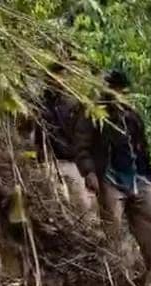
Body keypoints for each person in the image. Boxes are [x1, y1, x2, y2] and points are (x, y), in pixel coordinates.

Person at [72, 69, 151, 284]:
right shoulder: (93, 113)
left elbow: (142, 148)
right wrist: (89, 172)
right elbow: (81, 145)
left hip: (138, 177)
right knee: (111, 227)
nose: (120, 94)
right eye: (116, 89)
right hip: (110, 177)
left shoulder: (132, 115)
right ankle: (114, 276)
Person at [35, 63, 95, 222]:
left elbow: (82, 137)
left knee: (81, 203)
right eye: (54, 76)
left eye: (62, 76)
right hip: (48, 161)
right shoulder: (39, 104)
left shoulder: (74, 105)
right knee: (56, 199)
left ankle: (85, 233)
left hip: (70, 161)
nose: (58, 80)